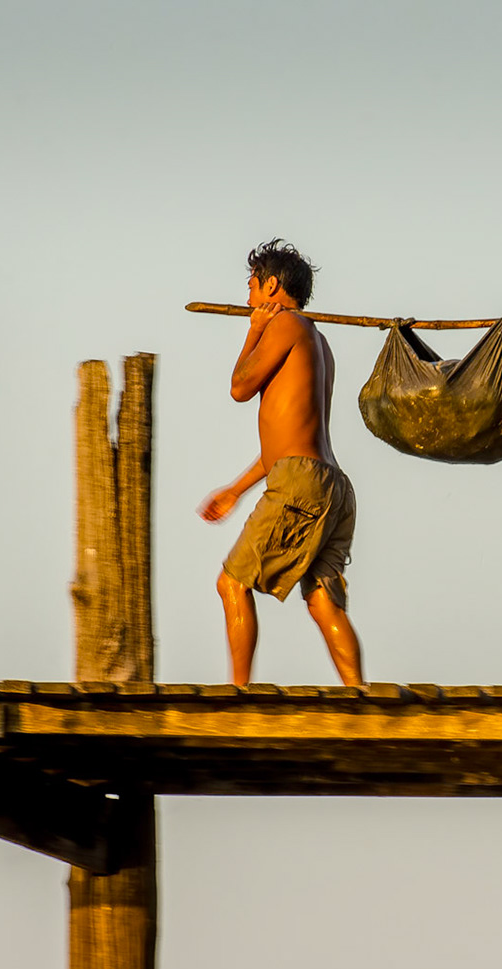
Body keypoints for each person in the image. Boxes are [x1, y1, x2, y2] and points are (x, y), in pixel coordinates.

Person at [198, 239, 364, 686]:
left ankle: (238, 695)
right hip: (332, 485)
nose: (248, 298)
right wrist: (237, 489)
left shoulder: (285, 325)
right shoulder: (318, 340)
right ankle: (361, 697)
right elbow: (287, 442)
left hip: (301, 482)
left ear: (271, 285)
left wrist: (254, 330)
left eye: (252, 286)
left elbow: (240, 387)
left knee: (232, 583)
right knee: (324, 601)